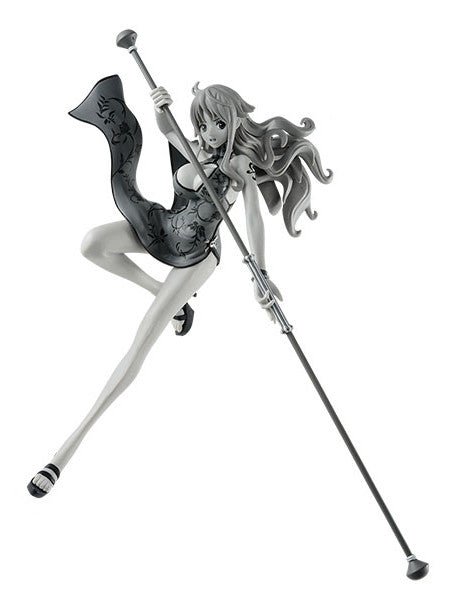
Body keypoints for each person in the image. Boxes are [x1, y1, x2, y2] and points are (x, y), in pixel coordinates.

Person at [27, 77, 332, 497]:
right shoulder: (195, 149)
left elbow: (252, 218)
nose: (210, 133)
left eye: (218, 124)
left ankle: (64, 451)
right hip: (166, 229)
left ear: (233, 121)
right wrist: (159, 105)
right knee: (92, 244)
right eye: (203, 124)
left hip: (199, 253)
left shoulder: (239, 167)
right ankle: (169, 300)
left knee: (141, 340)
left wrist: (260, 273)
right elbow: (165, 128)